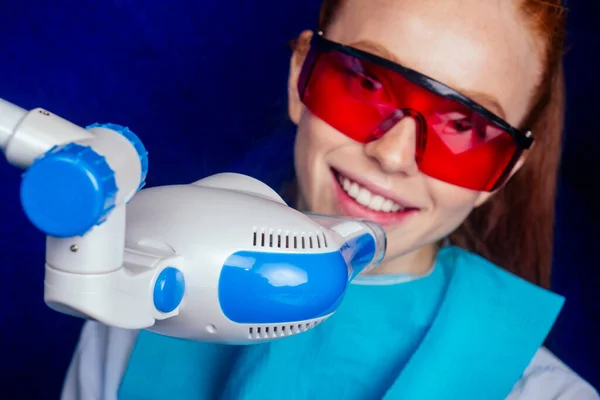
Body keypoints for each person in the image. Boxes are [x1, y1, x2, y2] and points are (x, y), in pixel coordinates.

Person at [61, 0, 599, 399]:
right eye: (366, 83)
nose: (392, 155)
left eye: (463, 124)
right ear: (302, 75)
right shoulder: (139, 300)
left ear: (502, 173)